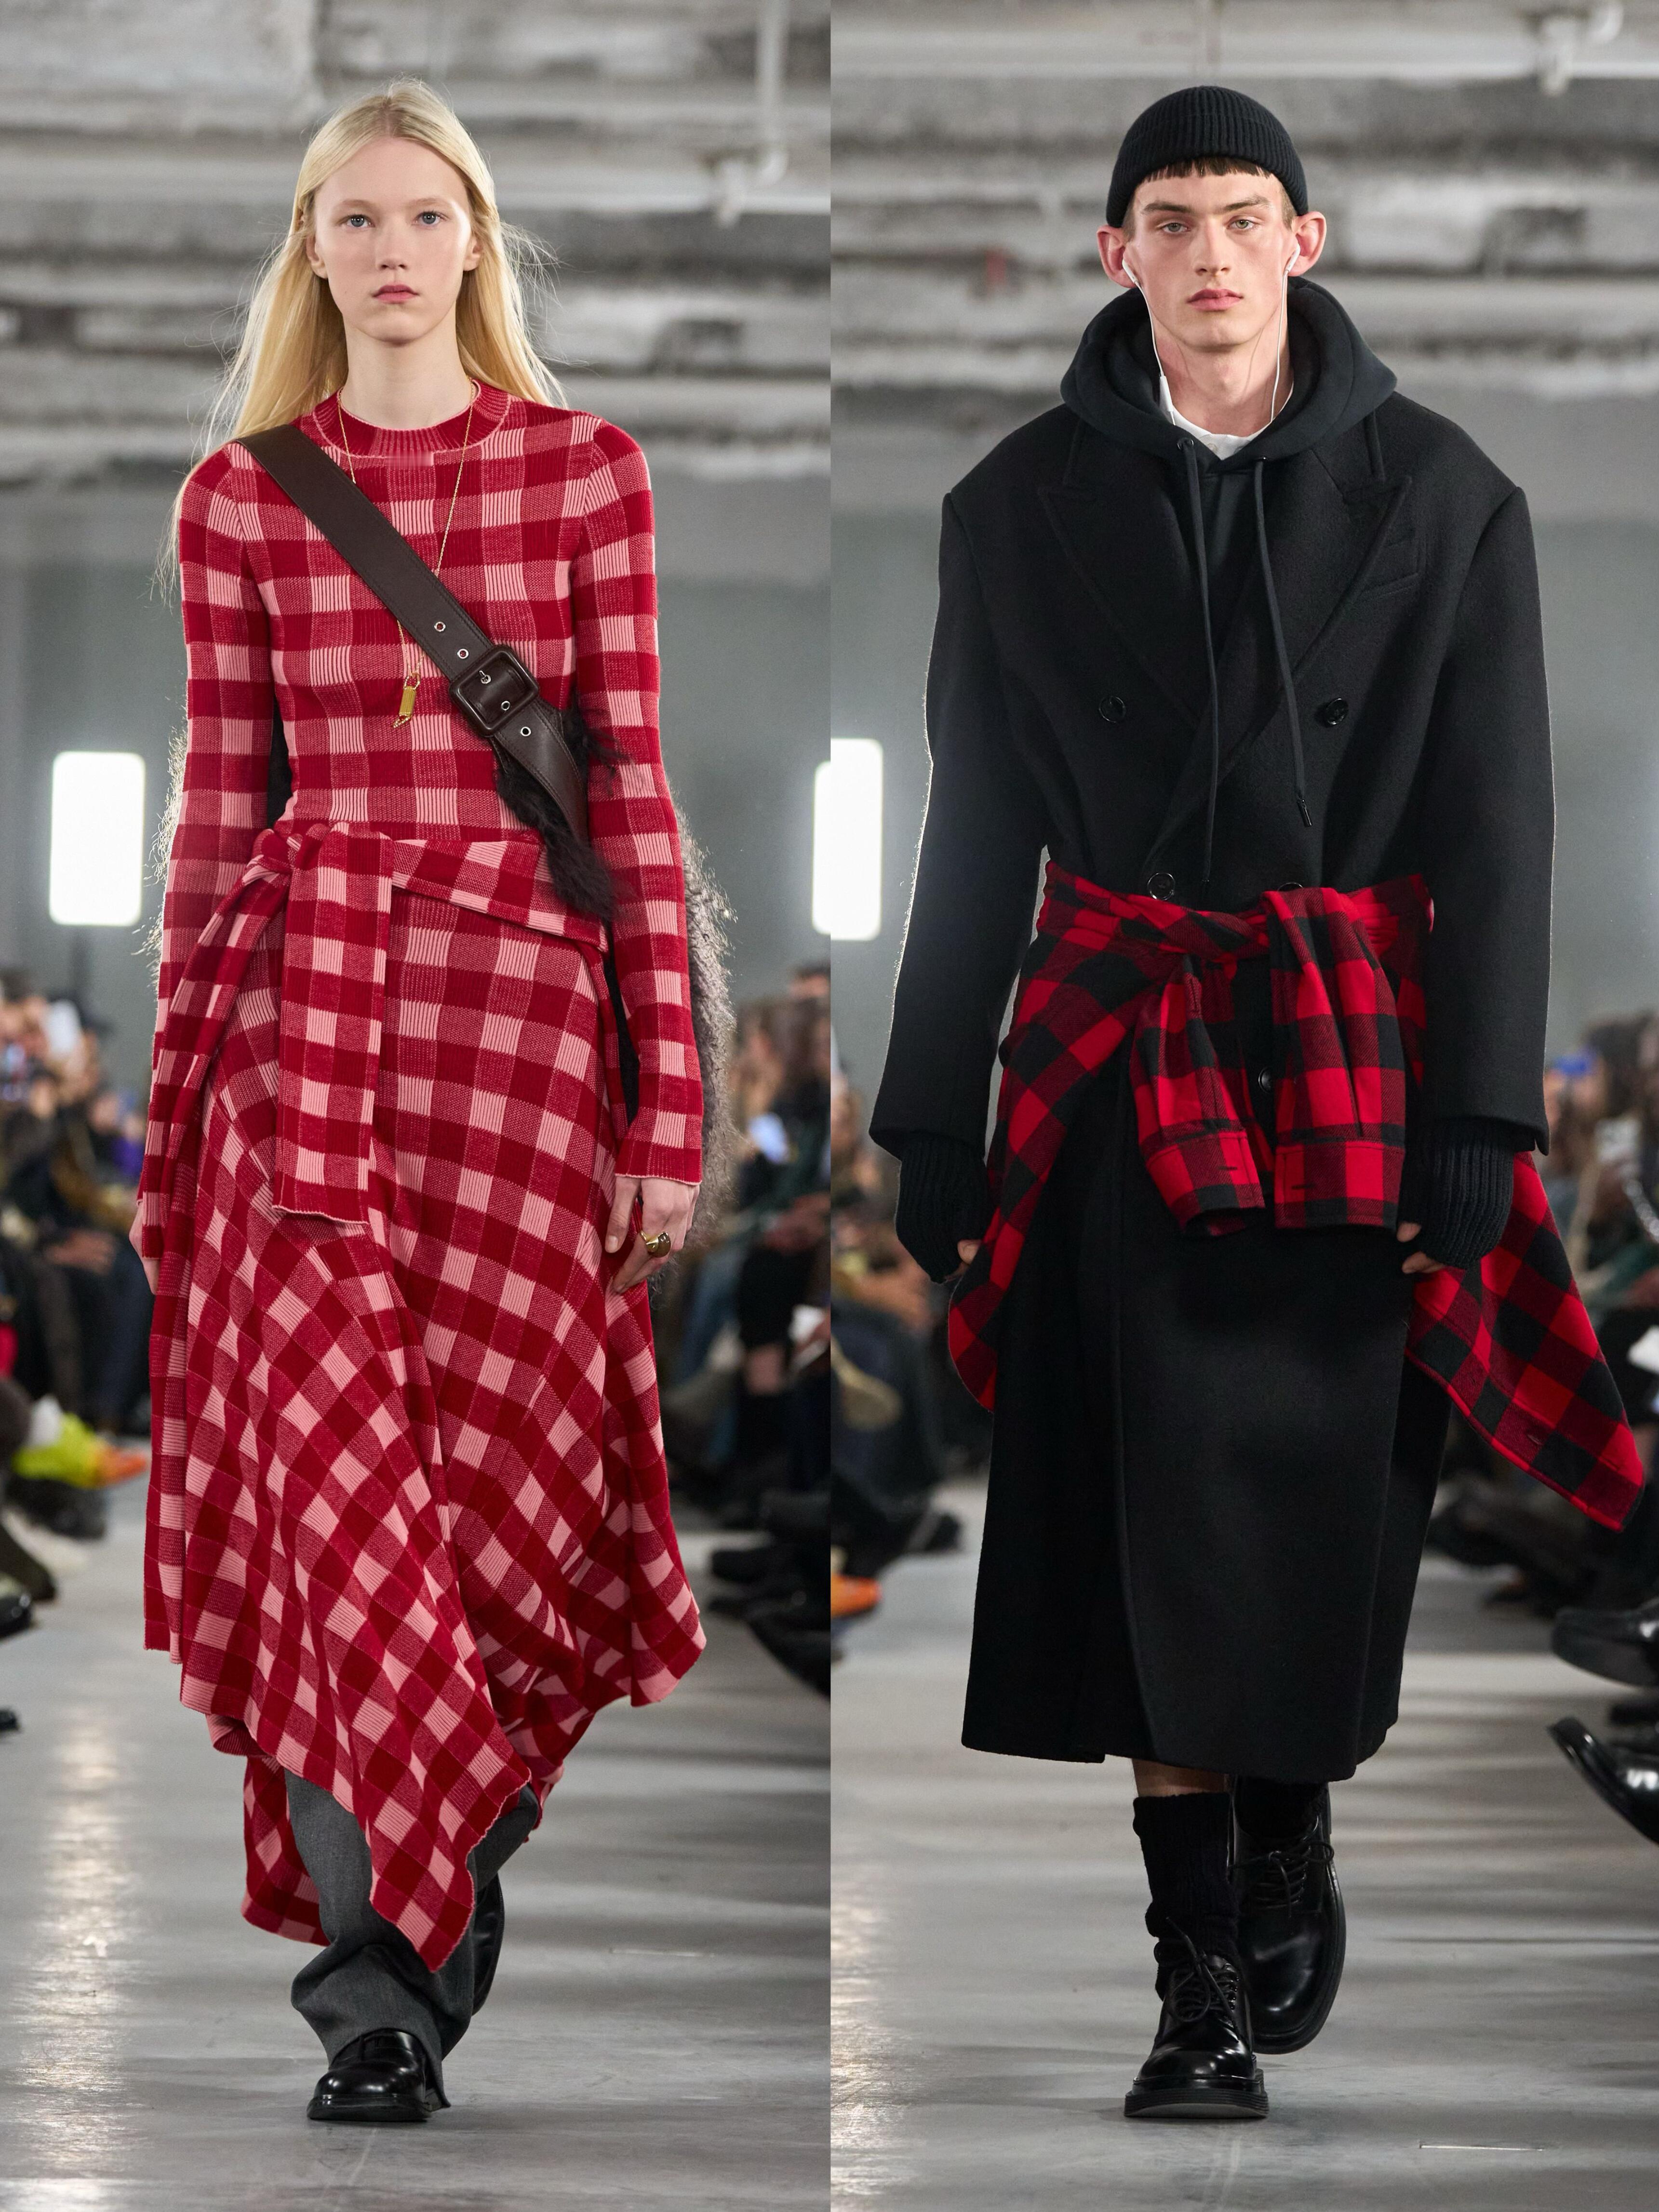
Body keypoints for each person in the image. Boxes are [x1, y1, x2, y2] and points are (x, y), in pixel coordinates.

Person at [871, 85, 1641, 2122]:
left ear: (1305, 240)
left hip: (1352, 1065)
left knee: (1316, 1530)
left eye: (1240, 215)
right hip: (1124, 1056)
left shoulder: (1449, 497)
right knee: (1150, 1537)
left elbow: (1499, 823)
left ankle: (1290, 1823)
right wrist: (926, 1112)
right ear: (1112, 252)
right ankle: (1193, 1986)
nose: (1206, 252)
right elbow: (975, 828)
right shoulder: (1014, 505)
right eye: (1168, 218)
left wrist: (1484, 1118)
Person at [132, 81, 706, 2123]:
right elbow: (217, 819)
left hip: (526, 1046)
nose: (390, 251)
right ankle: (371, 1992)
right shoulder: (239, 497)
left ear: (478, 240)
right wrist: (169, 1112)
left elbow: (630, 798)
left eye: (426, 215)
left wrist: (668, 1109)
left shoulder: (587, 471)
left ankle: (449, 1842)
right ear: (312, 247)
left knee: (500, 1509)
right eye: (355, 218)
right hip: (300, 1044)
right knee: (330, 1511)